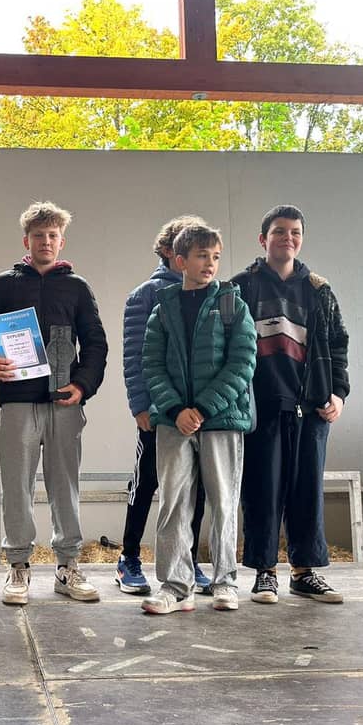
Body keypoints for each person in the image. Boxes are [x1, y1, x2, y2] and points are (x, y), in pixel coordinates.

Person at [0, 201, 108, 605]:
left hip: (65, 403)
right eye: (38, 235)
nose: (45, 241)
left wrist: (83, 385)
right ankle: (18, 566)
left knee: (66, 486)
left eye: (52, 235)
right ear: (26, 241)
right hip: (17, 402)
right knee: (17, 486)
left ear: (61, 241)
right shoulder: (4, 285)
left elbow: (96, 343)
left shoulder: (77, 287)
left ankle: (68, 566)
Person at [231, 205, 350, 604]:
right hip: (261, 407)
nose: (288, 238)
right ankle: (264, 572)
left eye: (295, 232)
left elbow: (338, 345)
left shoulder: (319, 291)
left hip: (311, 408)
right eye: (279, 231)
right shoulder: (241, 287)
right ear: (263, 239)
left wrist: (338, 393)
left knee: (307, 492)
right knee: (262, 491)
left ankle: (304, 572)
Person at [140, 224, 256, 614]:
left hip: (221, 421)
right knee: (173, 504)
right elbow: (151, 365)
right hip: (173, 423)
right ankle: (176, 587)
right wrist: (176, 411)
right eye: (202, 255)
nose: (210, 263)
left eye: (216, 256)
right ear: (180, 261)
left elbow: (243, 363)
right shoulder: (162, 310)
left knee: (223, 503)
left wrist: (203, 409)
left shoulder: (233, 306)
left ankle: (225, 583)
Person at [118, 215, 212, 597]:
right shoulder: (145, 295)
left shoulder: (211, 293)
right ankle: (128, 559)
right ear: (168, 252)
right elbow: (134, 355)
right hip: (158, 413)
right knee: (146, 482)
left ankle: (187, 560)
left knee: (197, 488)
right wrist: (141, 405)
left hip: (199, 413)